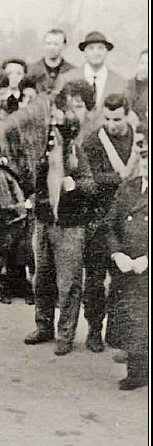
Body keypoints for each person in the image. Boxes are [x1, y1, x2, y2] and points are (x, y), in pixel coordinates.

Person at [25, 80, 99, 356]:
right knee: (41, 277)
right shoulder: (44, 148)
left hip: (70, 226)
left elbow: (91, 185)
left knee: (68, 283)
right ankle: (43, 325)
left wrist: (74, 185)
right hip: (44, 221)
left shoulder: (76, 151)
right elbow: (34, 180)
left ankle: (65, 334)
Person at [78, 93, 140, 353]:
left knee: (126, 280)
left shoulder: (138, 141)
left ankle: (124, 335)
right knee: (94, 279)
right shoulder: (94, 141)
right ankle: (94, 330)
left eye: (117, 118)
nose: (112, 124)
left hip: (130, 220)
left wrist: (115, 178)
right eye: (107, 118)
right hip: (99, 219)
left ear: (127, 115)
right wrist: (122, 177)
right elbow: (91, 179)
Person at [103, 128, 149, 389]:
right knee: (131, 316)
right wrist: (116, 252)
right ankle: (137, 364)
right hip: (128, 265)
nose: (147, 166)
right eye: (144, 159)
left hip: (146, 267)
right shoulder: (129, 189)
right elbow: (110, 224)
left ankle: (140, 369)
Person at [57, 32, 126, 120]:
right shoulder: (67, 78)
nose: (96, 52)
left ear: (106, 51)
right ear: (84, 52)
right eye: (91, 48)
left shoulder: (118, 81)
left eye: (100, 48)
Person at [25, 28, 77, 95]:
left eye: (56, 44)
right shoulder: (30, 70)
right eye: (48, 44)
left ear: (64, 46)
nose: (52, 47)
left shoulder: (72, 72)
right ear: (44, 45)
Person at [129, 49, 149, 125]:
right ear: (138, 64)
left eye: (148, 64)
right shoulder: (127, 84)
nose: (145, 67)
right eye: (142, 63)